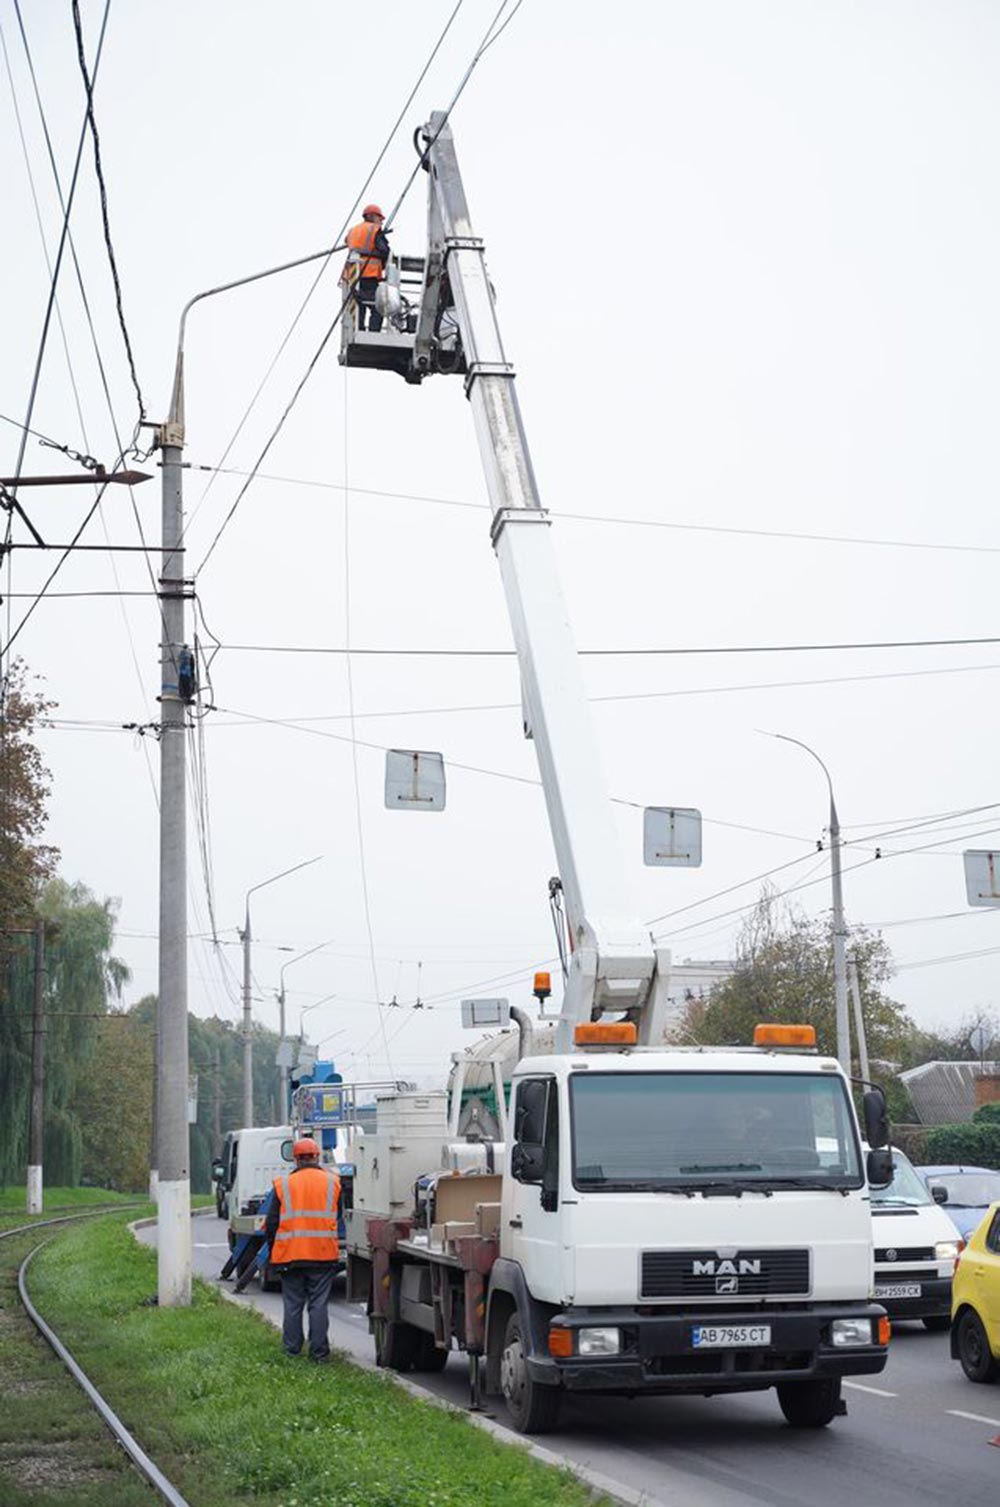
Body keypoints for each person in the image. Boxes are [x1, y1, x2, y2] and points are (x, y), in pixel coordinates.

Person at [265, 1136, 341, 1362]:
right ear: (317, 1157)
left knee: (293, 1304)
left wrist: (273, 1251)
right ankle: (319, 1354)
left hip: (290, 1256)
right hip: (322, 1254)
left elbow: (271, 1223)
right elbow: (337, 1215)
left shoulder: (284, 1184)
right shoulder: (332, 1182)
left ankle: (291, 1351)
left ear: (296, 1160)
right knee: (318, 1305)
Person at [342, 203, 390, 332]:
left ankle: (360, 329)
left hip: (353, 274)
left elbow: (347, 241)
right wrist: (383, 263)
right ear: (372, 216)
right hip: (369, 273)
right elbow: (384, 250)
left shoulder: (353, 230)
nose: (381, 221)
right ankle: (374, 331)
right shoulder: (374, 229)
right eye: (379, 218)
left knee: (359, 305)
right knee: (377, 306)